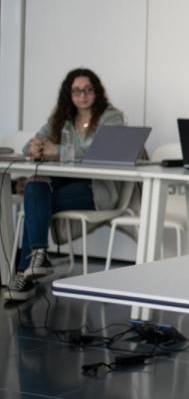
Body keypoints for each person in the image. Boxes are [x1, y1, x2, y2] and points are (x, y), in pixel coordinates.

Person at [5, 68, 126, 302]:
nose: (82, 95)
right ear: (68, 94)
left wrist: (58, 150)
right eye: (77, 91)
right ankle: (39, 255)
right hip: (64, 183)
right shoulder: (62, 116)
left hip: (96, 189)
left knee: (35, 203)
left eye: (88, 90)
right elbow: (30, 143)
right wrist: (34, 147)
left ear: (97, 92)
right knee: (34, 188)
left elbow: (103, 151)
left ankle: (24, 274)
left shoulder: (111, 117)